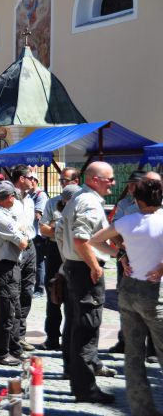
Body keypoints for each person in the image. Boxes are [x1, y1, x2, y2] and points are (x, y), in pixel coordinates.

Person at [90, 177, 163, 415]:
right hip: (155, 292)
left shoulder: (127, 220)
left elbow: (95, 240)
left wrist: (120, 254)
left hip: (130, 289)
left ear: (136, 199)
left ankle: (142, 409)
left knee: (133, 356)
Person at [60, 161, 115, 404]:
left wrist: (117, 254)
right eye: (109, 178)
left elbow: (86, 239)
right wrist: (94, 266)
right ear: (94, 179)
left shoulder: (80, 198)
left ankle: (78, 379)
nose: (113, 182)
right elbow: (82, 240)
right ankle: (85, 389)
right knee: (86, 329)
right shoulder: (88, 201)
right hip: (84, 270)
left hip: (76, 266)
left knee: (78, 326)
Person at [0, 180, 29, 365]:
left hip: (11, 266)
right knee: (6, 312)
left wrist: (21, 231)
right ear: (8, 198)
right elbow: (23, 242)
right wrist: (22, 232)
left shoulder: (5, 214)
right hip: (3, 267)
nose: (14, 199)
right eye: (12, 196)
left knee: (14, 310)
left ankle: (14, 347)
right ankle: (0, 352)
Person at [37, 167, 80, 351]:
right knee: (53, 292)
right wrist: (61, 229)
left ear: (76, 182)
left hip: (76, 251)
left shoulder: (84, 202)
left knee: (74, 296)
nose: (62, 184)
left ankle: (73, 339)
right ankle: (52, 337)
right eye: (61, 180)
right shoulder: (53, 202)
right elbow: (43, 229)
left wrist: (57, 228)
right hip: (55, 249)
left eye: (65, 180)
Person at [107, 170, 147, 355]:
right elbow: (114, 230)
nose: (130, 188)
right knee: (124, 299)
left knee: (149, 299)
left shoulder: (155, 204)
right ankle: (124, 341)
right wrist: (122, 247)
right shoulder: (123, 203)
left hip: (149, 256)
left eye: (134, 184)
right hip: (127, 256)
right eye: (129, 184)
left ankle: (153, 348)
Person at [10, 165, 37, 352]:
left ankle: (21, 334)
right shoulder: (9, 199)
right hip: (16, 247)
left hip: (31, 246)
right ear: (21, 179)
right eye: (31, 177)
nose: (33, 180)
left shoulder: (30, 200)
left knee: (27, 291)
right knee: (15, 291)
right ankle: (13, 336)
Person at [27, 171, 48, 297]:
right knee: (33, 261)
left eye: (29, 179)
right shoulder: (28, 195)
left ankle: (40, 289)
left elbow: (38, 215)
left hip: (38, 234)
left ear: (34, 180)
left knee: (39, 262)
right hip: (31, 233)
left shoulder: (41, 195)